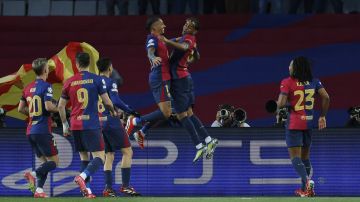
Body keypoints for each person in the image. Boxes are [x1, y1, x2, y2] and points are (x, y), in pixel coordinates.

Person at [158, 17, 219, 162]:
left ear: (195, 31)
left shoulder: (189, 38)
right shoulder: (187, 37)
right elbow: (197, 55)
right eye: (186, 24)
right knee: (189, 113)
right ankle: (208, 140)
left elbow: (185, 47)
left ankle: (199, 146)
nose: (186, 26)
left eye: (190, 26)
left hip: (179, 80)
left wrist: (166, 41)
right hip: (184, 77)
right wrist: (186, 62)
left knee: (181, 115)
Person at [58, 52, 116, 198]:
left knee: (84, 157)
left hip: (75, 124)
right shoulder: (96, 79)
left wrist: (65, 124)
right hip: (91, 123)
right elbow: (107, 101)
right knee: (100, 157)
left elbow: (60, 106)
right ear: (89, 63)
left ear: (77, 64)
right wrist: (113, 111)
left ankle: (87, 191)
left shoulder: (69, 81)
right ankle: (82, 177)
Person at [276, 56, 330, 197]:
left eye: (291, 65)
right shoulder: (315, 81)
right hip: (309, 122)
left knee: (295, 157)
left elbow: (281, 104)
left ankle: (307, 182)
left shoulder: (287, 82)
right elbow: (326, 97)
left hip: (294, 123)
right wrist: (322, 116)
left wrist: (278, 107)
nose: (289, 68)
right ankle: (306, 190)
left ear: (296, 68)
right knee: (305, 157)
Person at [96, 58, 141, 197]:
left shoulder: (93, 83)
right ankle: (126, 186)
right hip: (111, 121)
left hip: (98, 122)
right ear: (110, 68)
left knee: (109, 155)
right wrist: (129, 110)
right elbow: (115, 100)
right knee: (128, 152)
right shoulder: (110, 82)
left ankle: (108, 189)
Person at [125, 17, 172, 145]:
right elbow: (150, 51)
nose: (164, 26)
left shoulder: (161, 40)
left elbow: (172, 41)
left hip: (166, 78)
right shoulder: (151, 39)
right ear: (154, 28)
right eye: (161, 24)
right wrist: (153, 57)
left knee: (167, 112)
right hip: (159, 77)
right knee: (166, 112)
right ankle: (135, 121)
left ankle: (142, 132)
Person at [18, 58, 59, 198]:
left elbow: (20, 109)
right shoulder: (46, 86)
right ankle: (32, 174)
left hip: (30, 130)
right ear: (45, 70)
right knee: (54, 162)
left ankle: (39, 191)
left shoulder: (27, 87)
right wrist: (59, 108)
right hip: (42, 130)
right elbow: (48, 106)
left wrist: (33, 115)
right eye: (48, 67)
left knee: (45, 165)